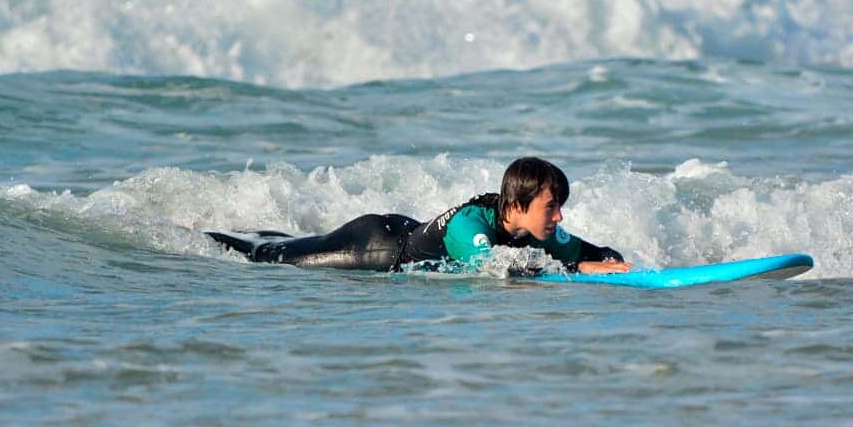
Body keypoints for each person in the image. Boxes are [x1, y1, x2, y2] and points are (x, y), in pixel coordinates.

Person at [206, 157, 632, 275]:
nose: (559, 217)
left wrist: (612, 261)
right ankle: (210, 235)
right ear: (519, 204)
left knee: (296, 241)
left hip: (402, 228)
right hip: (373, 248)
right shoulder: (472, 226)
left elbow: (589, 250)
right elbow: (496, 269)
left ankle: (251, 229)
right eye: (551, 206)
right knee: (270, 256)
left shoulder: (538, 229)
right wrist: (579, 270)